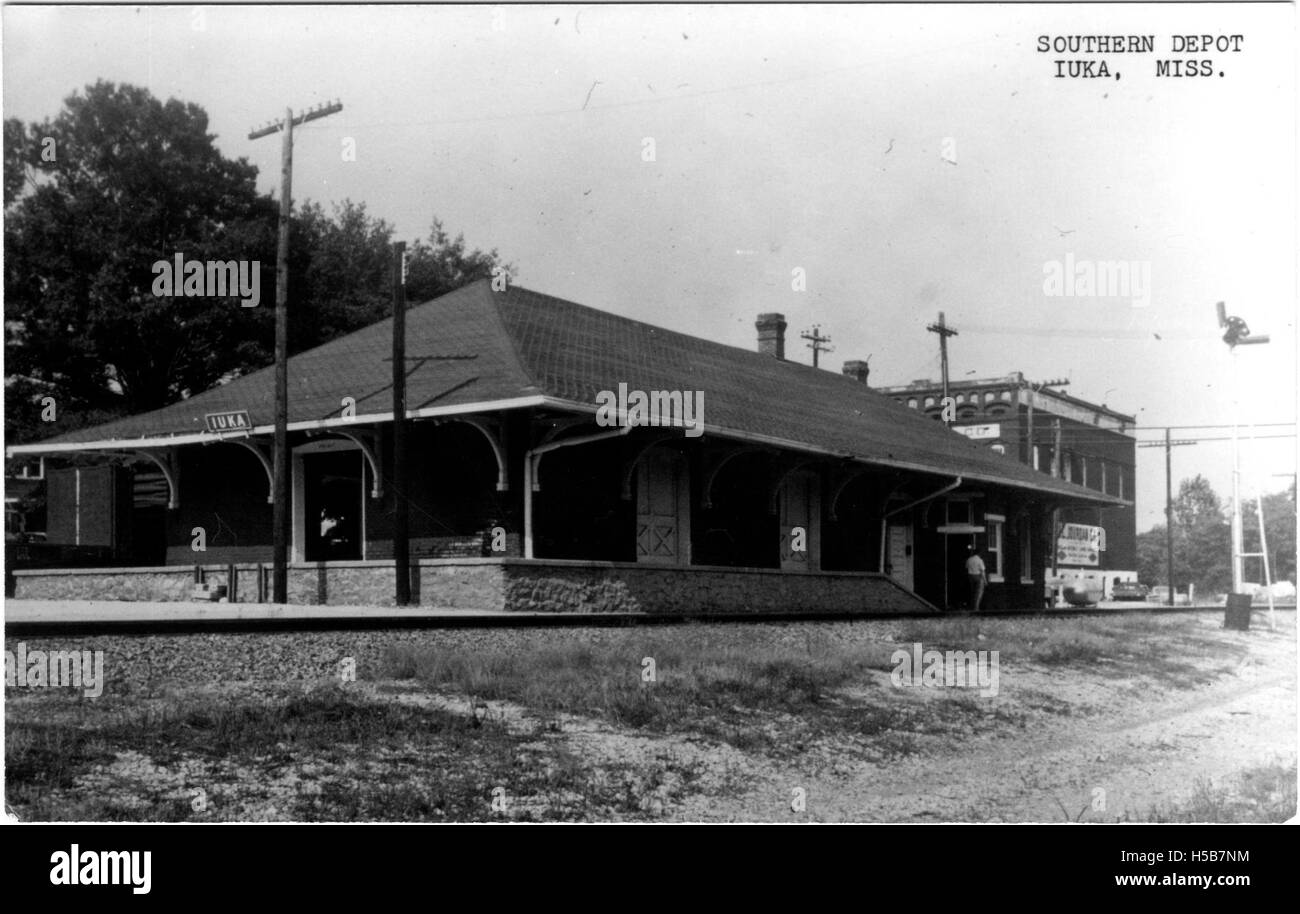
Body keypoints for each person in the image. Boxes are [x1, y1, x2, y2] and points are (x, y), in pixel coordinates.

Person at [965, 545, 987, 612]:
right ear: (979, 553)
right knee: (979, 593)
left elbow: (966, 568)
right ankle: (976, 608)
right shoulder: (980, 560)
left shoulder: (969, 559)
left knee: (972, 592)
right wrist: (985, 581)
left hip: (970, 576)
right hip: (978, 576)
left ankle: (971, 607)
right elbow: (982, 571)